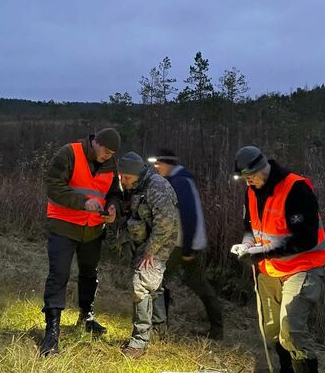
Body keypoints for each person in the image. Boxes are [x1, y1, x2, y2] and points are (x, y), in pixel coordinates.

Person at [230, 146, 325, 373]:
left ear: (261, 168)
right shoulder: (251, 191)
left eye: (249, 177)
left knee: (291, 329)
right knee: (272, 329)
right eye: (243, 179)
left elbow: (307, 238)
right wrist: (246, 245)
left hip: (303, 267)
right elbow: (250, 229)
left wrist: (261, 253)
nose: (247, 183)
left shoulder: (296, 188)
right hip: (270, 269)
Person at [41, 128, 121, 355]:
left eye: (112, 153)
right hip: (63, 226)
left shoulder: (111, 164)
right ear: (95, 142)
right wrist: (83, 202)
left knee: (89, 273)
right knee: (59, 275)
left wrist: (114, 208)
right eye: (106, 151)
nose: (108, 156)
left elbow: (115, 193)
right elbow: (53, 187)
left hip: (94, 230)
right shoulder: (69, 153)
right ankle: (52, 331)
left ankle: (87, 315)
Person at [149, 148, 223, 340]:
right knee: (196, 283)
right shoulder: (180, 179)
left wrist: (188, 248)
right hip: (186, 242)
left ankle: (160, 326)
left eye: (159, 164)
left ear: (168, 164)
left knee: (159, 280)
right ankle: (216, 329)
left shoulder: (180, 182)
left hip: (182, 243)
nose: (157, 168)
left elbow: (189, 215)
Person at [118, 152, 179, 359]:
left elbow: (166, 225)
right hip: (145, 240)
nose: (123, 181)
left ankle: (139, 341)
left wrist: (150, 251)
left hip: (160, 241)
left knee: (141, 284)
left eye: (126, 178)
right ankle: (160, 328)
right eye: (121, 177)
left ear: (136, 174)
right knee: (154, 285)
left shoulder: (157, 187)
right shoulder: (136, 185)